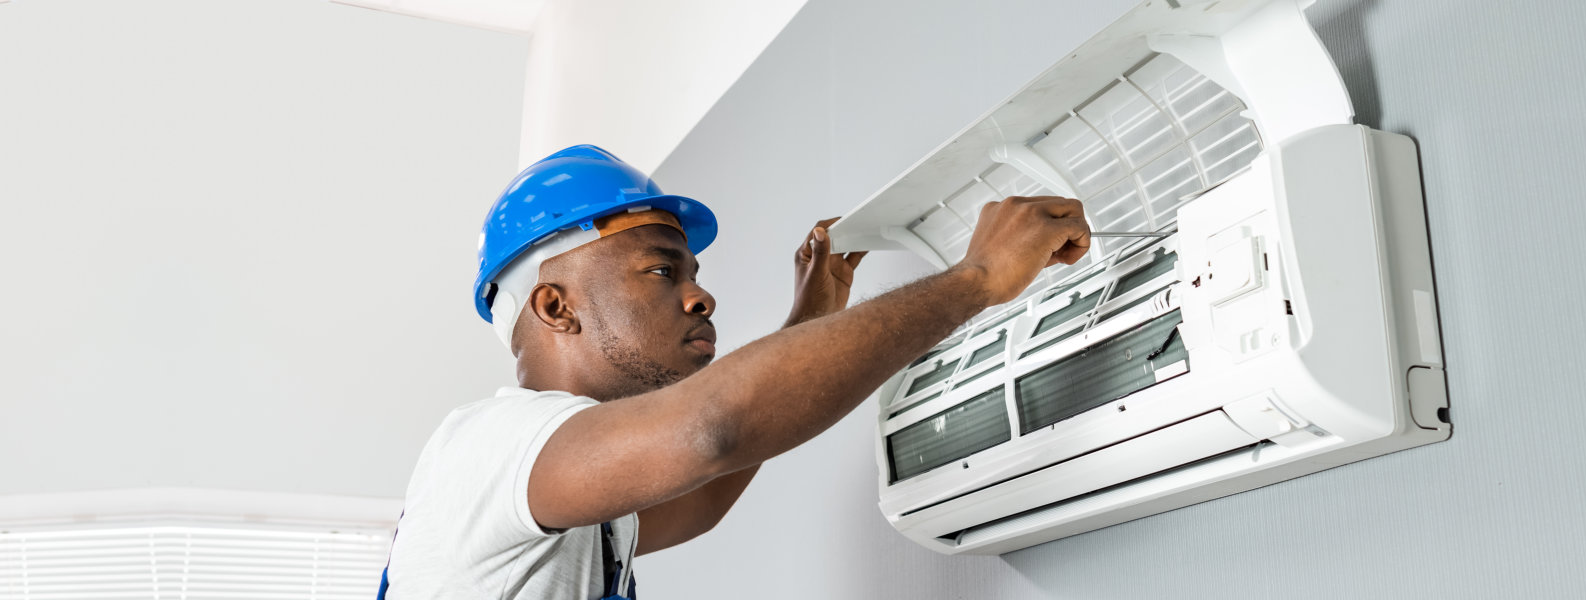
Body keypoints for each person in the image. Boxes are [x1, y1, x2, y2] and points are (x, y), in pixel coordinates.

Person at [378, 145, 1090, 598]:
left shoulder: (574, 497)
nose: (699, 294)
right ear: (556, 306)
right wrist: (977, 281)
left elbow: (702, 494)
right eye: (660, 269)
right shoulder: (489, 444)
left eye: (694, 271)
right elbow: (712, 430)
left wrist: (811, 319)